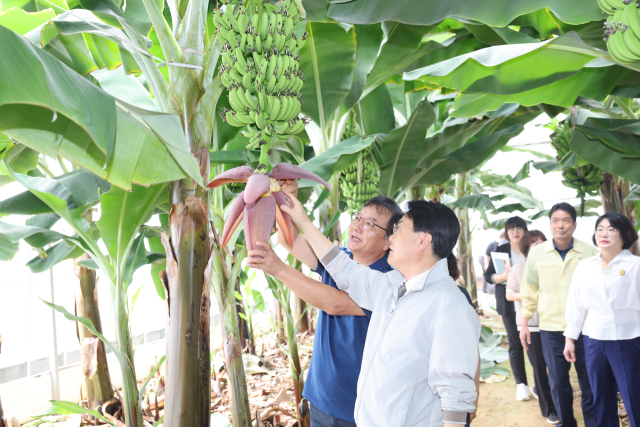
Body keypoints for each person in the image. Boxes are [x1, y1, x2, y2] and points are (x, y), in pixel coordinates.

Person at [250, 197, 481, 427]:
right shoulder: (391, 286)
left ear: (422, 241)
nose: (391, 238)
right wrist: (302, 219)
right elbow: (345, 270)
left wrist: (279, 268)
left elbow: (456, 396)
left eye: (398, 230)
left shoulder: (448, 304)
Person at [272, 178, 403, 427]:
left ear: (388, 241)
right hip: (321, 398)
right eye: (357, 218)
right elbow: (288, 240)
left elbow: (334, 303)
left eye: (370, 224)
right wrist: (286, 198)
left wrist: (279, 269)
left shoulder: (388, 281)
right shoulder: (339, 259)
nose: (357, 226)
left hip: (360, 408)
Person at [520, 203, 599, 427]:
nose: (560, 225)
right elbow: (530, 290)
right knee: (558, 383)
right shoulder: (537, 253)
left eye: (566, 220)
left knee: (589, 381)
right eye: (555, 220)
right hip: (551, 328)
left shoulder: (590, 252)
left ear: (574, 224)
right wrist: (525, 324)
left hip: (585, 329)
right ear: (550, 224)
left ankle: (593, 422)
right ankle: (566, 423)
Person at [563, 212, 640, 427]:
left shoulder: (635, 265)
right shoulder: (585, 266)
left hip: (629, 337)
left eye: (611, 229)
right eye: (599, 229)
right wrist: (570, 338)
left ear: (624, 235)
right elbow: (576, 304)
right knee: (601, 398)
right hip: (594, 338)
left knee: (634, 396)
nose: (603, 234)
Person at [506, 230, 559, 424]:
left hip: (553, 323)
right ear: (527, 249)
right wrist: (529, 294)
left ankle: (549, 396)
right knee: (539, 367)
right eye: (535, 244)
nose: (541, 247)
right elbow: (509, 294)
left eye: (543, 243)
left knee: (555, 367)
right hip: (531, 325)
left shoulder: (554, 266)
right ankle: (549, 409)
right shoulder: (519, 269)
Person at [484, 217, 530, 402]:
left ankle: (543, 384)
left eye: (519, 227)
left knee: (535, 346)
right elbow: (488, 277)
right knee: (515, 343)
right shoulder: (500, 250)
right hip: (508, 302)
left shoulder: (532, 249)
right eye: (511, 229)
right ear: (507, 232)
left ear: (525, 230)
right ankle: (521, 384)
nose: (516, 231)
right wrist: (503, 276)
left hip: (531, 302)